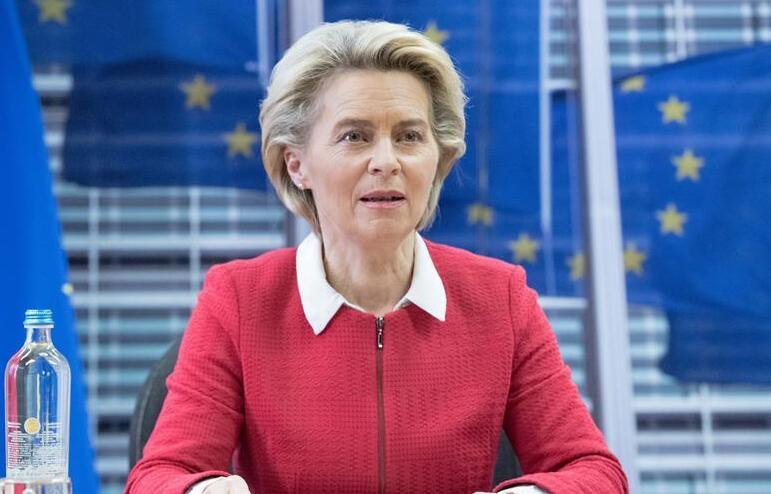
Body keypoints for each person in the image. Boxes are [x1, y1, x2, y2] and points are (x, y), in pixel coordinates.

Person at [125, 20, 628, 494]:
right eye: (355, 136)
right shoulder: (240, 299)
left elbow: (594, 472)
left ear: (439, 159)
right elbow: (159, 475)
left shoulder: (500, 298)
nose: (386, 162)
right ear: (296, 164)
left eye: (409, 136)